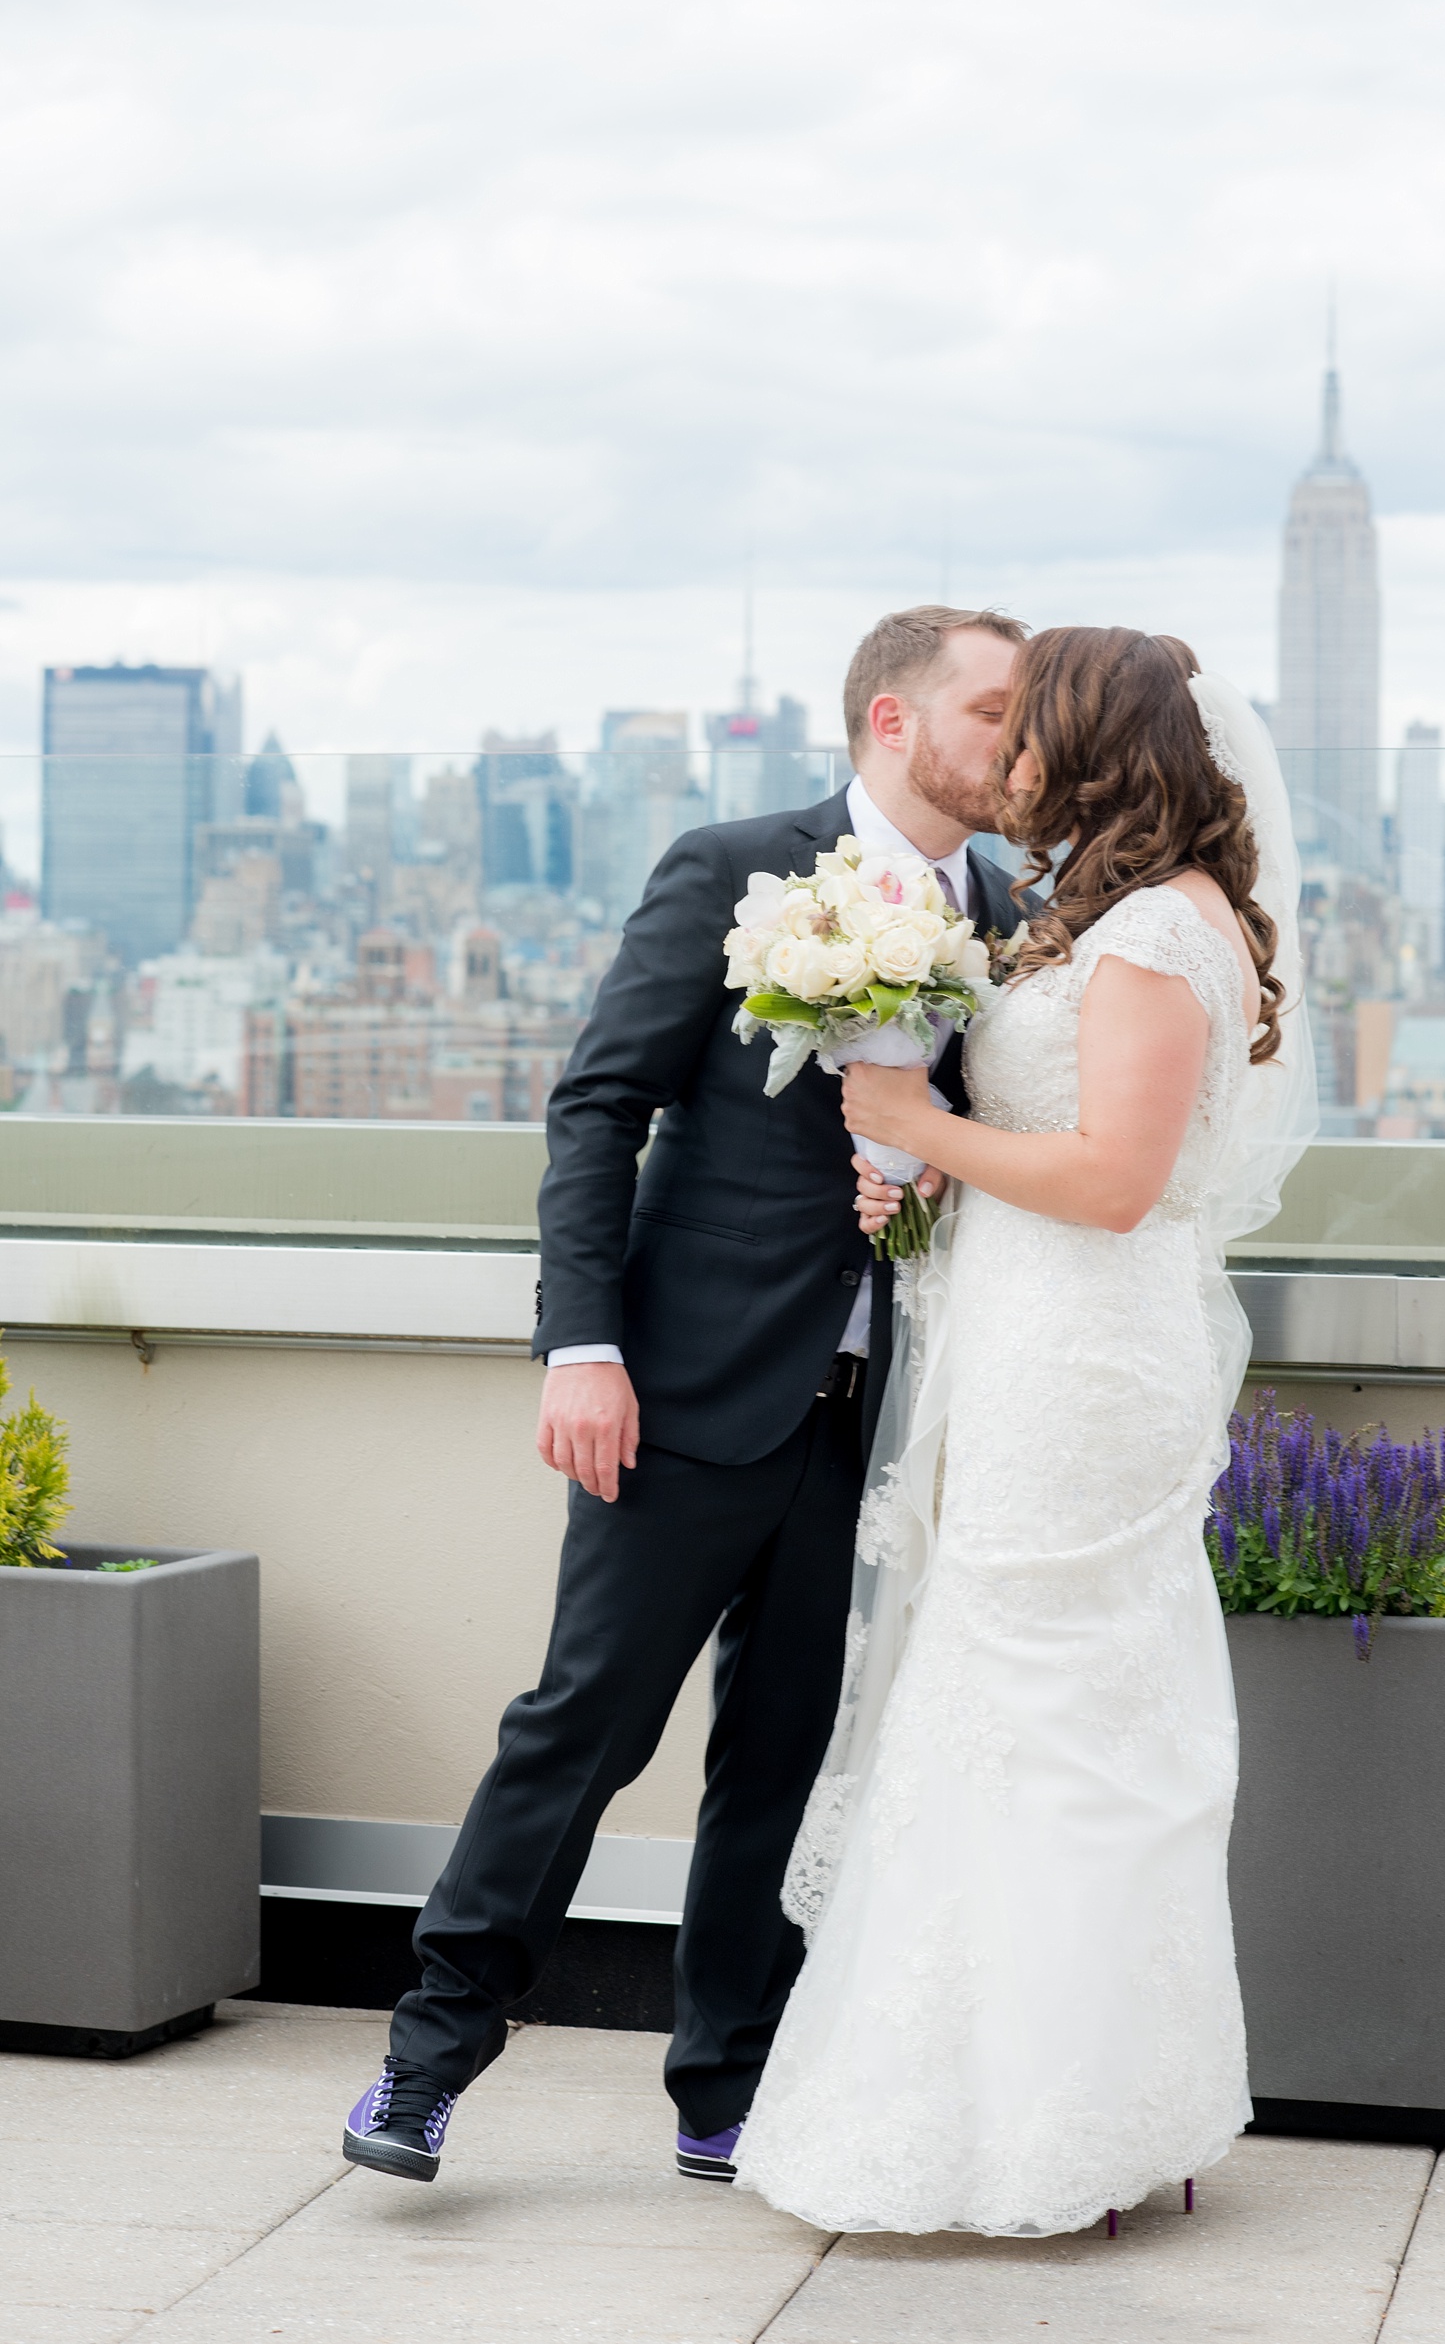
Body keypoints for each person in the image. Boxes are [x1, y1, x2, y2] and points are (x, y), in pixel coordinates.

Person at [340, 604, 1027, 2182]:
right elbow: (599, 1105)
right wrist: (582, 1345)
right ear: (893, 723)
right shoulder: (738, 867)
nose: (1020, 739)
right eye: (994, 707)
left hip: (871, 1409)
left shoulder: (1007, 911)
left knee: (781, 1752)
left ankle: (726, 2084)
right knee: (584, 1725)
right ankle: (426, 2058)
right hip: (682, 1392)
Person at [733, 627, 1319, 2236]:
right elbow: (1048, 1144)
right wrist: (929, 1167)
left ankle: (1051, 2119)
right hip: (1031, 1333)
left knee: (1050, 1712)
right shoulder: (1125, 917)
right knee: (1044, 1708)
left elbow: (1119, 1181)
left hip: (1079, 1363)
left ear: (1099, 746)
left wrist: (924, 1125)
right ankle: (1056, 2100)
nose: (1013, 758)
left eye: (1034, 726)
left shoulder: (1145, 933)